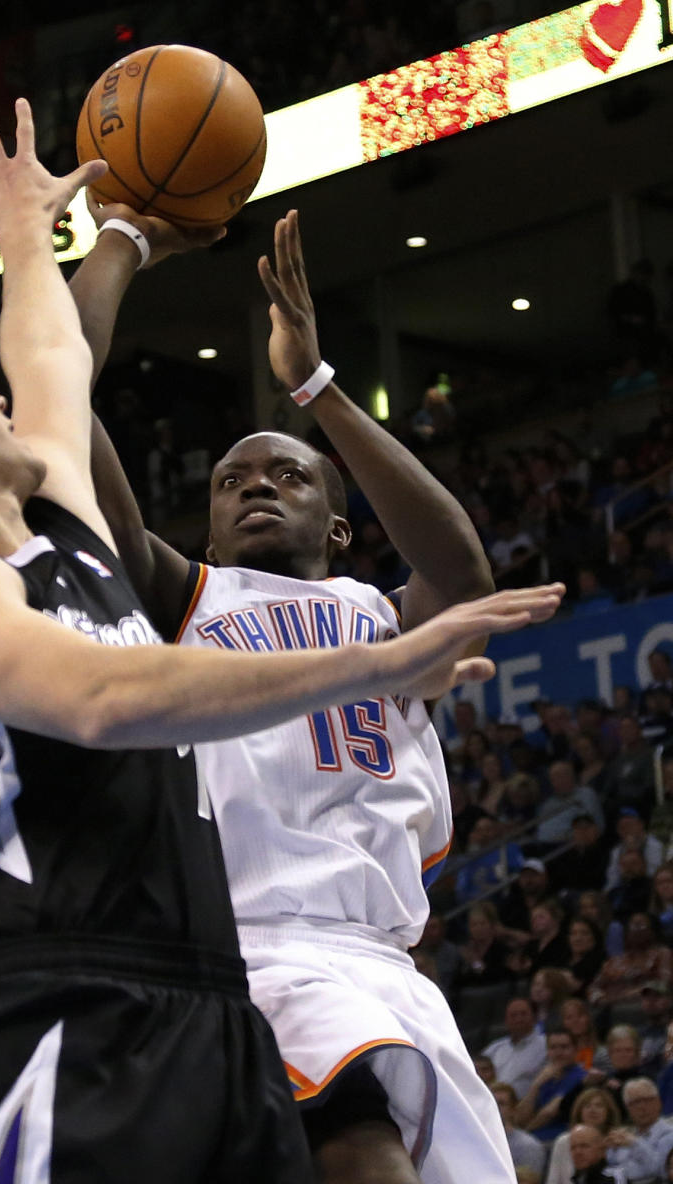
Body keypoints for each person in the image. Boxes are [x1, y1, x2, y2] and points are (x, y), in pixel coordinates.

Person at [0, 103, 563, 1184]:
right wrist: (378, 664)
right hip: (65, 988)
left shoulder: (76, 555)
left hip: (202, 977)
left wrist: (89, 231)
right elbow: (109, 696)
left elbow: (52, 352)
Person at [77, 202, 567, 1181]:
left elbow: (463, 576)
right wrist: (117, 248)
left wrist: (317, 387)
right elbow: (58, 402)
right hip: (246, 945)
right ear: (209, 532)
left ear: (338, 528)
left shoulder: (381, 619)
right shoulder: (188, 595)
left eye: (291, 476)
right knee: (359, 1146)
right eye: (231, 479)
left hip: (377, 960)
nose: (257, 484)